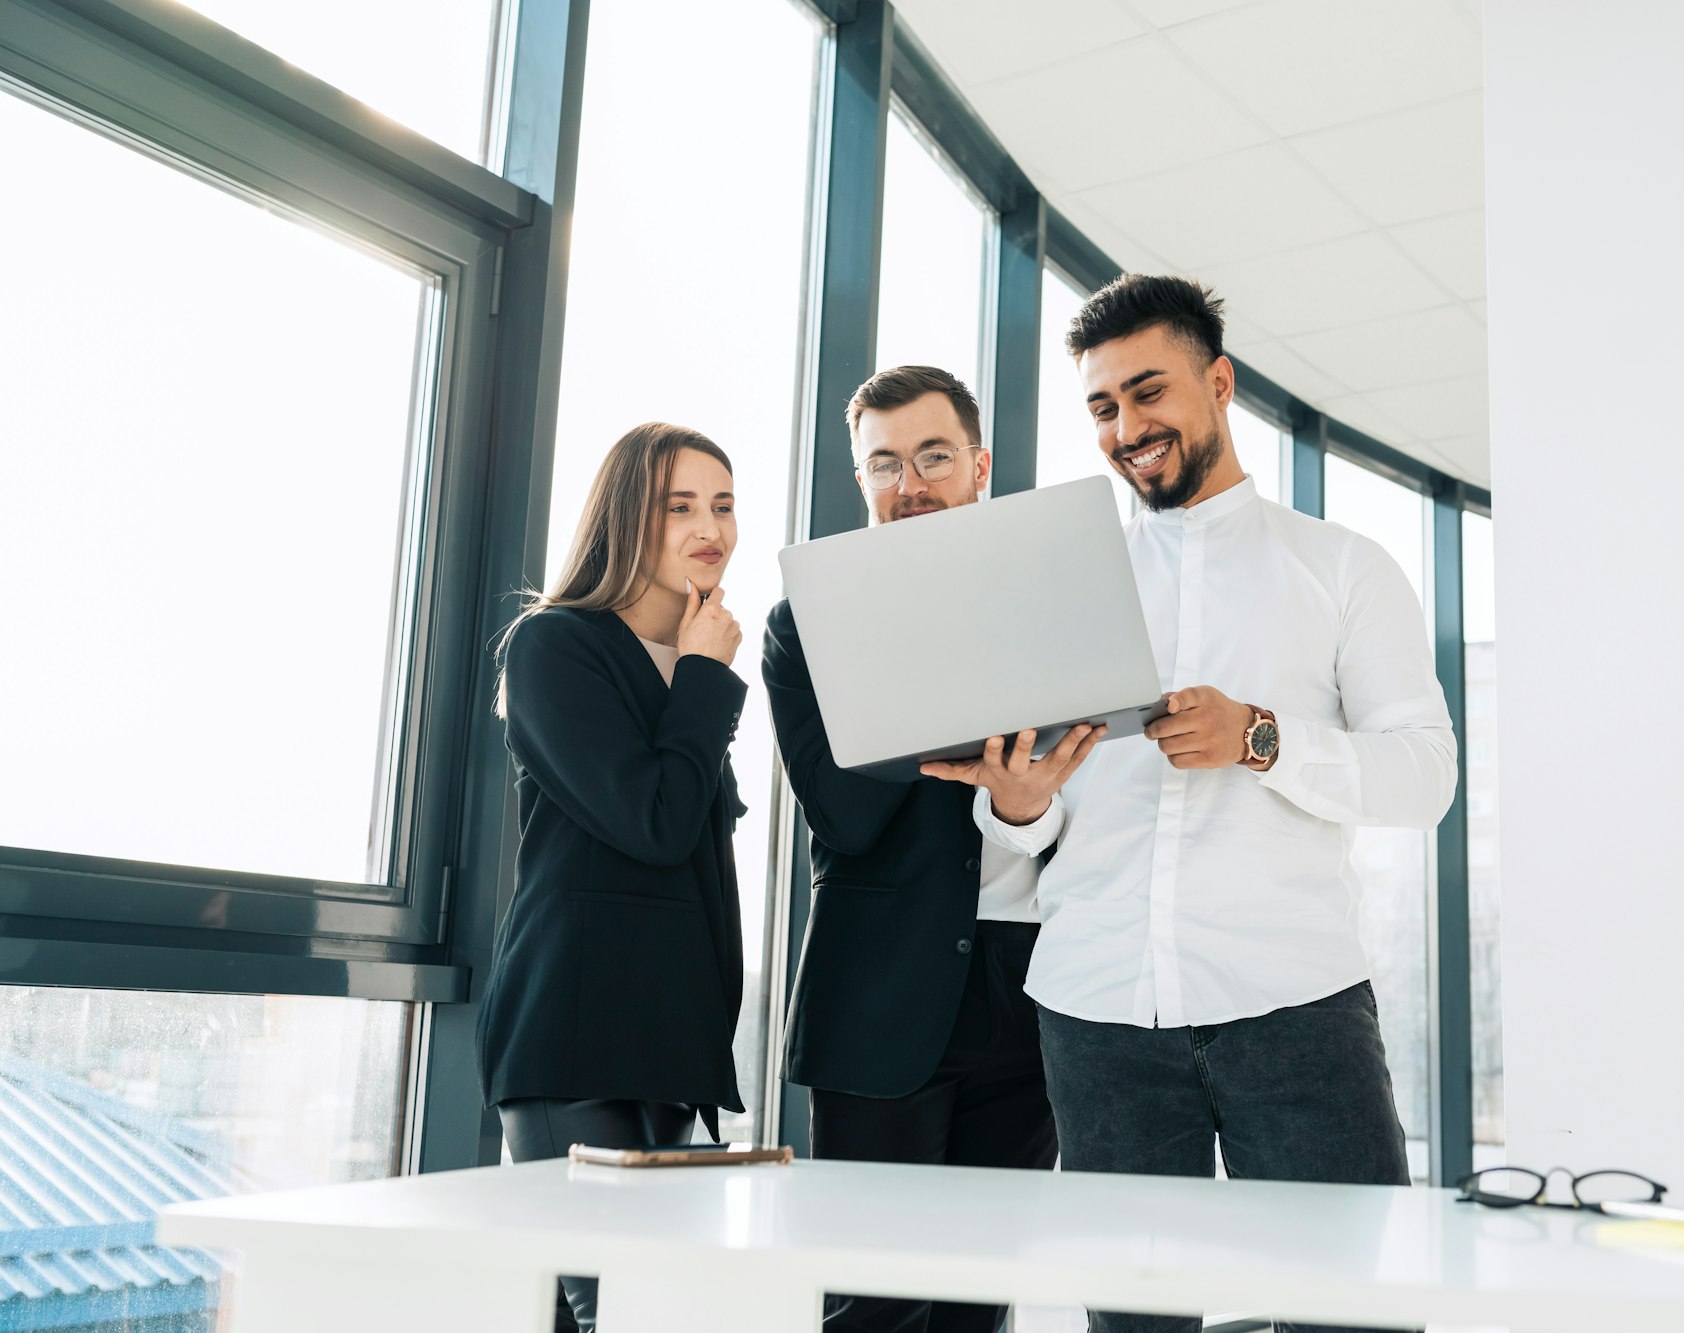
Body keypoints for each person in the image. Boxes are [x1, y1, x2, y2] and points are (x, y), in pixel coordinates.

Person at [942, 276, 1456, 1333]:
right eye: (1100, 407)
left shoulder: (1342, 568)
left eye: (1147, 392)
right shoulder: (1053, 587)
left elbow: (1423, 776)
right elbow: (1026, 830)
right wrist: (1021, 807)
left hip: (1293, 1005)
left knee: (1352, 1316)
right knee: (1132, 1326)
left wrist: (1258, 738)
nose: (1127, 428)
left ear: (1216, 384)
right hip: (1096, 1015)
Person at [764, 365, 1100, 1333]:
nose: (908, 482)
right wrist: (980, 721)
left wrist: (1011, 788)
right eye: (883, 463)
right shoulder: (805, 623)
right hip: (880, 988)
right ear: (860, 479)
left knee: (977, 1291)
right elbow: (841, 812)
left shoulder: (1050, 607)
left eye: (932, 455)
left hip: (1031, 983)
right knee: (873, 1293)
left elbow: (1091, 786)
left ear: (978, 466)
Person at [476, 422, 749, 1333]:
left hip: (670, 1043)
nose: (708, 526)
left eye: (721, 503)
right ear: (626, 516)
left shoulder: (688, 656)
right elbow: (656, 822)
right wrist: (706, 677)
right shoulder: (554, 644)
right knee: (629, 1312)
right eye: (679, 506)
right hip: (576, 1034)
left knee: (628, 1309)